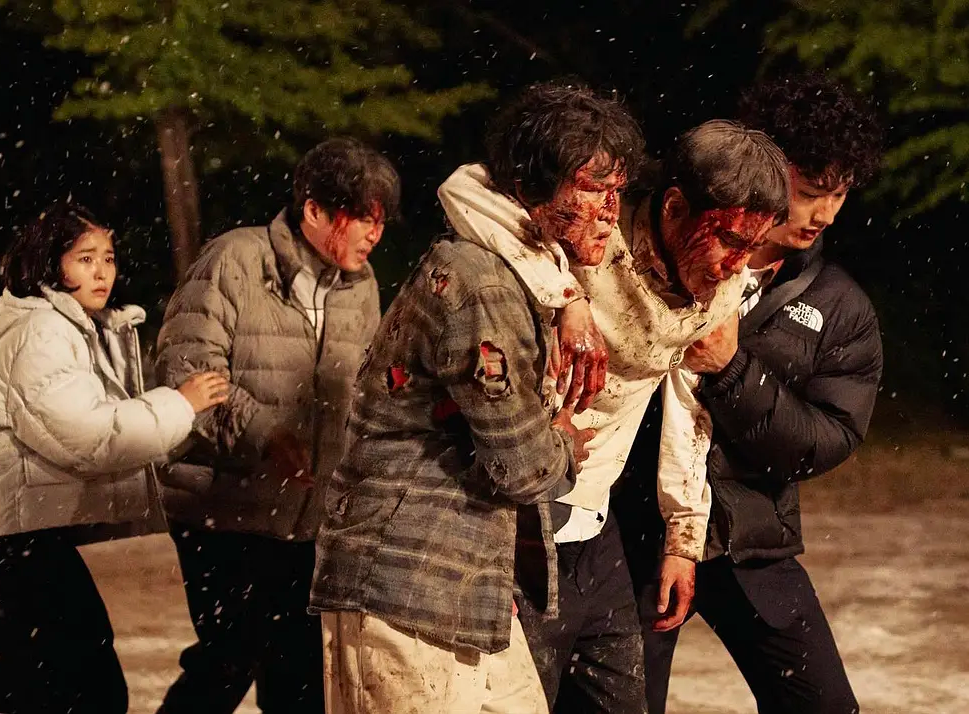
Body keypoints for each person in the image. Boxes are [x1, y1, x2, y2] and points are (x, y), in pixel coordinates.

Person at [308, 81, 643, 714]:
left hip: (461, 584)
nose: (610, 211)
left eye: (617, 191)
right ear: (529, 189)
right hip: (403, 581)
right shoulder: (481, 284)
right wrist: (565, 444)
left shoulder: (522, 270)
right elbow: (522, 466)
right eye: (591, 190)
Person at [441, 118, 791, 713]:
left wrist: (684, 536)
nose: (737, 265)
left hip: (596, 520)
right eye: (730, 240)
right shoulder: (593, 226)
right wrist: (566, 296)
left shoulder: (720, 290)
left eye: (752, 247)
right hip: (515, 514)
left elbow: (688, 403)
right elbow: (463, 186)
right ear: (674, 208)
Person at [619, 73, 885, 714]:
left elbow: (829, 438)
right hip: (632, 537)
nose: (825, 214)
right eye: (810, 191)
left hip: (751, 538)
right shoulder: (648, 241)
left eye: (840, 194)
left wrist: (734, 373)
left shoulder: (838, 304)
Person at [0, 200, 228, 714]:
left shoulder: (62, 327)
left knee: (66, 691)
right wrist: (180, 404)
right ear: (50, 264)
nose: (102, 271)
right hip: (6, 542)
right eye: (85, 258)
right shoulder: (41, 332)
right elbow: (89, 437)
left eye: (108, 257)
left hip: (15, 537)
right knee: (82, 691)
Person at [153, 137, 398, 714]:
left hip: (308, 519)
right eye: (362, 218)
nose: (374, 234)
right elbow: (186, 371)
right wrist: (265, 432)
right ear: (313, 210)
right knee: (229, 658)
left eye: (381, 220)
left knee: (302, 678)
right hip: (222, 509)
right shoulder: (235, 260)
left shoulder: (361, 285)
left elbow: (364, 389)